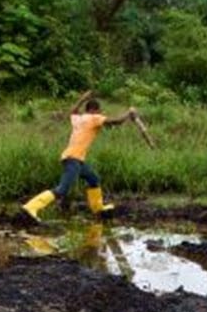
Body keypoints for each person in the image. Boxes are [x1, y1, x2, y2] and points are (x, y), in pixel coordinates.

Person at [22, 90, 136, 223]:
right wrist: (129, 113)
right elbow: (115, 122)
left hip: (75, 159)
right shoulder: (94, 118)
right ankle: (31, 207)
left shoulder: (79, 119)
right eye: (100, 111)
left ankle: (98, 209)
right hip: (73, 159)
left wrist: (82, 99)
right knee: (62, 189)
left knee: (93, 179)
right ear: (94, 110)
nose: (101, 114)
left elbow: (73, 111)